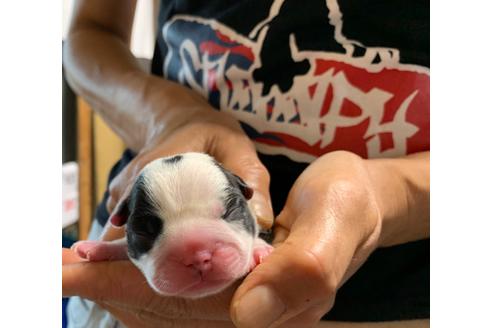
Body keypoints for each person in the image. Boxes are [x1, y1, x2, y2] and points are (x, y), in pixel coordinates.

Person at [62, 0, 430, 327]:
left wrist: (392, 192)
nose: (199, 257)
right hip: (132, 290)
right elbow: (90, 32)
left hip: (398, 298)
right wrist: (166, 116)